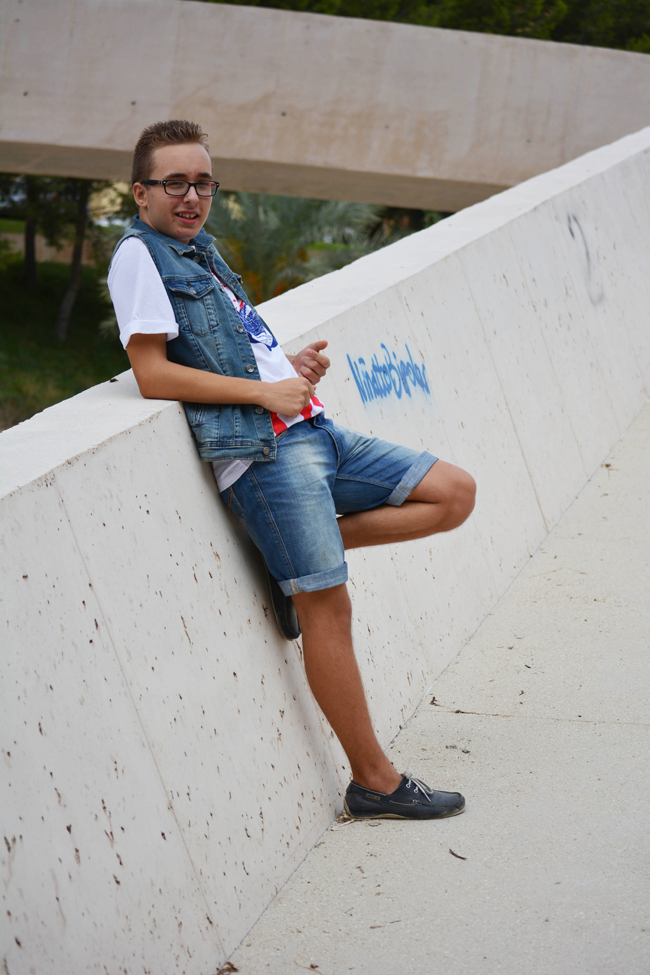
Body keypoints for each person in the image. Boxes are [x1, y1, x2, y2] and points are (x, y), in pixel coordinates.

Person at [108, 120, 476, 821]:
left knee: (453, 493)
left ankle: (287, 564)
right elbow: (152, 374)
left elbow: (229, 345)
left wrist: (286, 368)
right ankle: (375, 782)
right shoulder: (139, 257)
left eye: (203, 182)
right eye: (173, 183)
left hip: (313, 429)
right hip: (265, 454)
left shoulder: (199, 249)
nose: (191, 196)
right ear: (141, 192)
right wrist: (261, 394)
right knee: (329, 607)